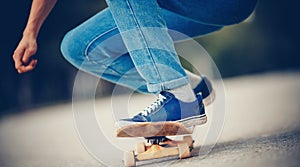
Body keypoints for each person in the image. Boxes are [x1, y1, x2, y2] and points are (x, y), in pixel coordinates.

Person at [13, 0, 257, 127]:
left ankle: (178, 98)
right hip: (183, 9)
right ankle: (191, 90)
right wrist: (30, 31)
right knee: (78, 47)